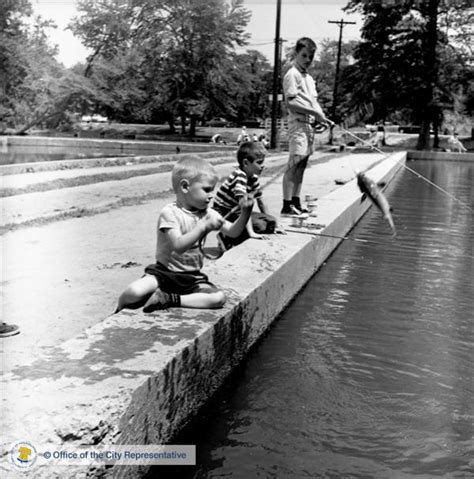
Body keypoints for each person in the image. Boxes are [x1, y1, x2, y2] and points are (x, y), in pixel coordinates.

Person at [115, 157, 254, 313]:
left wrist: (245, 213)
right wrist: (203, 227)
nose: (211, 196)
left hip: (192, 277)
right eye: (207, 190)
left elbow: (234, 232)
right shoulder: (169, 213)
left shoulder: (208, 213)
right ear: (185, 187)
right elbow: (178, 246)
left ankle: (169, 299)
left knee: (218, 298)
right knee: (133, 292)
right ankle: (118, 310)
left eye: (212, 190)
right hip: (163, 273)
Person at [281, 37, 332, 216]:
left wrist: (321, 117)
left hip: (309, 126)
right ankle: (286, 205)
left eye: (310, 57)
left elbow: (313, 102)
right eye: (304, 55)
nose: (307, 60)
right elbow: (291, 103)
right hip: (298, 124)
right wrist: (315, 113)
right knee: (293, 164)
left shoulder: (309, 78)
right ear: (296, 53)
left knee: (302, 165)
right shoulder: (292, 74)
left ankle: (296, 201)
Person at [212, 141, 277, 249]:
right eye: (259, 162)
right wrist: (251, 232)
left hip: (238, 212)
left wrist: (274, 226)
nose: (263, 166)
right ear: (246, 163)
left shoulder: (253, 177)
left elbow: (261, 201)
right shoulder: (239, 176)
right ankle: (227, 237)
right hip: (225, 212)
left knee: (271, 222)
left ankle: (235, 234)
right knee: (260, 226)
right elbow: (244, 208)